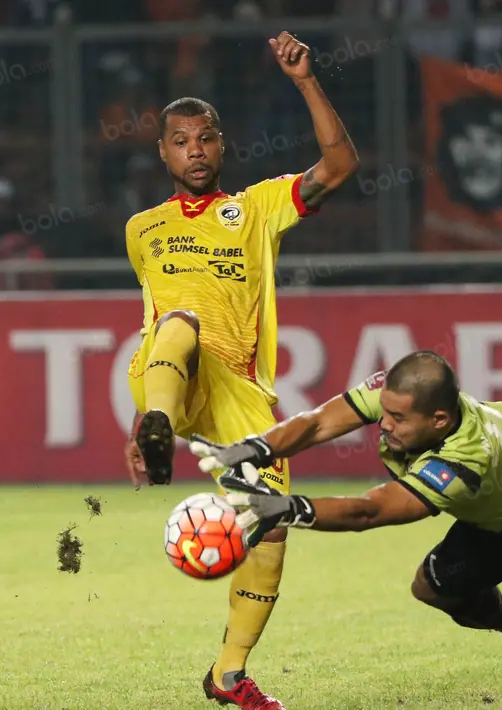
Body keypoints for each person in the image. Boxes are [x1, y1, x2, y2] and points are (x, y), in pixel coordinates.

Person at [122, 32, 359, 710]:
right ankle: (162, 422)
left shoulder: (254, 209)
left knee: (272, 524)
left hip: (240, 392)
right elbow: (154, 317)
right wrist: (147, 419)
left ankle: (227, 674)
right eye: (179, 140)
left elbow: (339, 165)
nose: (193, 149)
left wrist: (305, 81)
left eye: (205, 137)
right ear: (162, 151)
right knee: (180, 323)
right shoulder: (143, 228)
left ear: (221, 145)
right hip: (172, 370)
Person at [190, 350, 502, 636]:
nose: (383, 424)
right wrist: (255, 447)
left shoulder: (467, 460)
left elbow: (371, 511)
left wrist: (289, 509)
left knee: (430, 588)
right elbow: (318, 422)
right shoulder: (396, 391)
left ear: (440, 421)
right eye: (384, 411)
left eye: (398, 419)